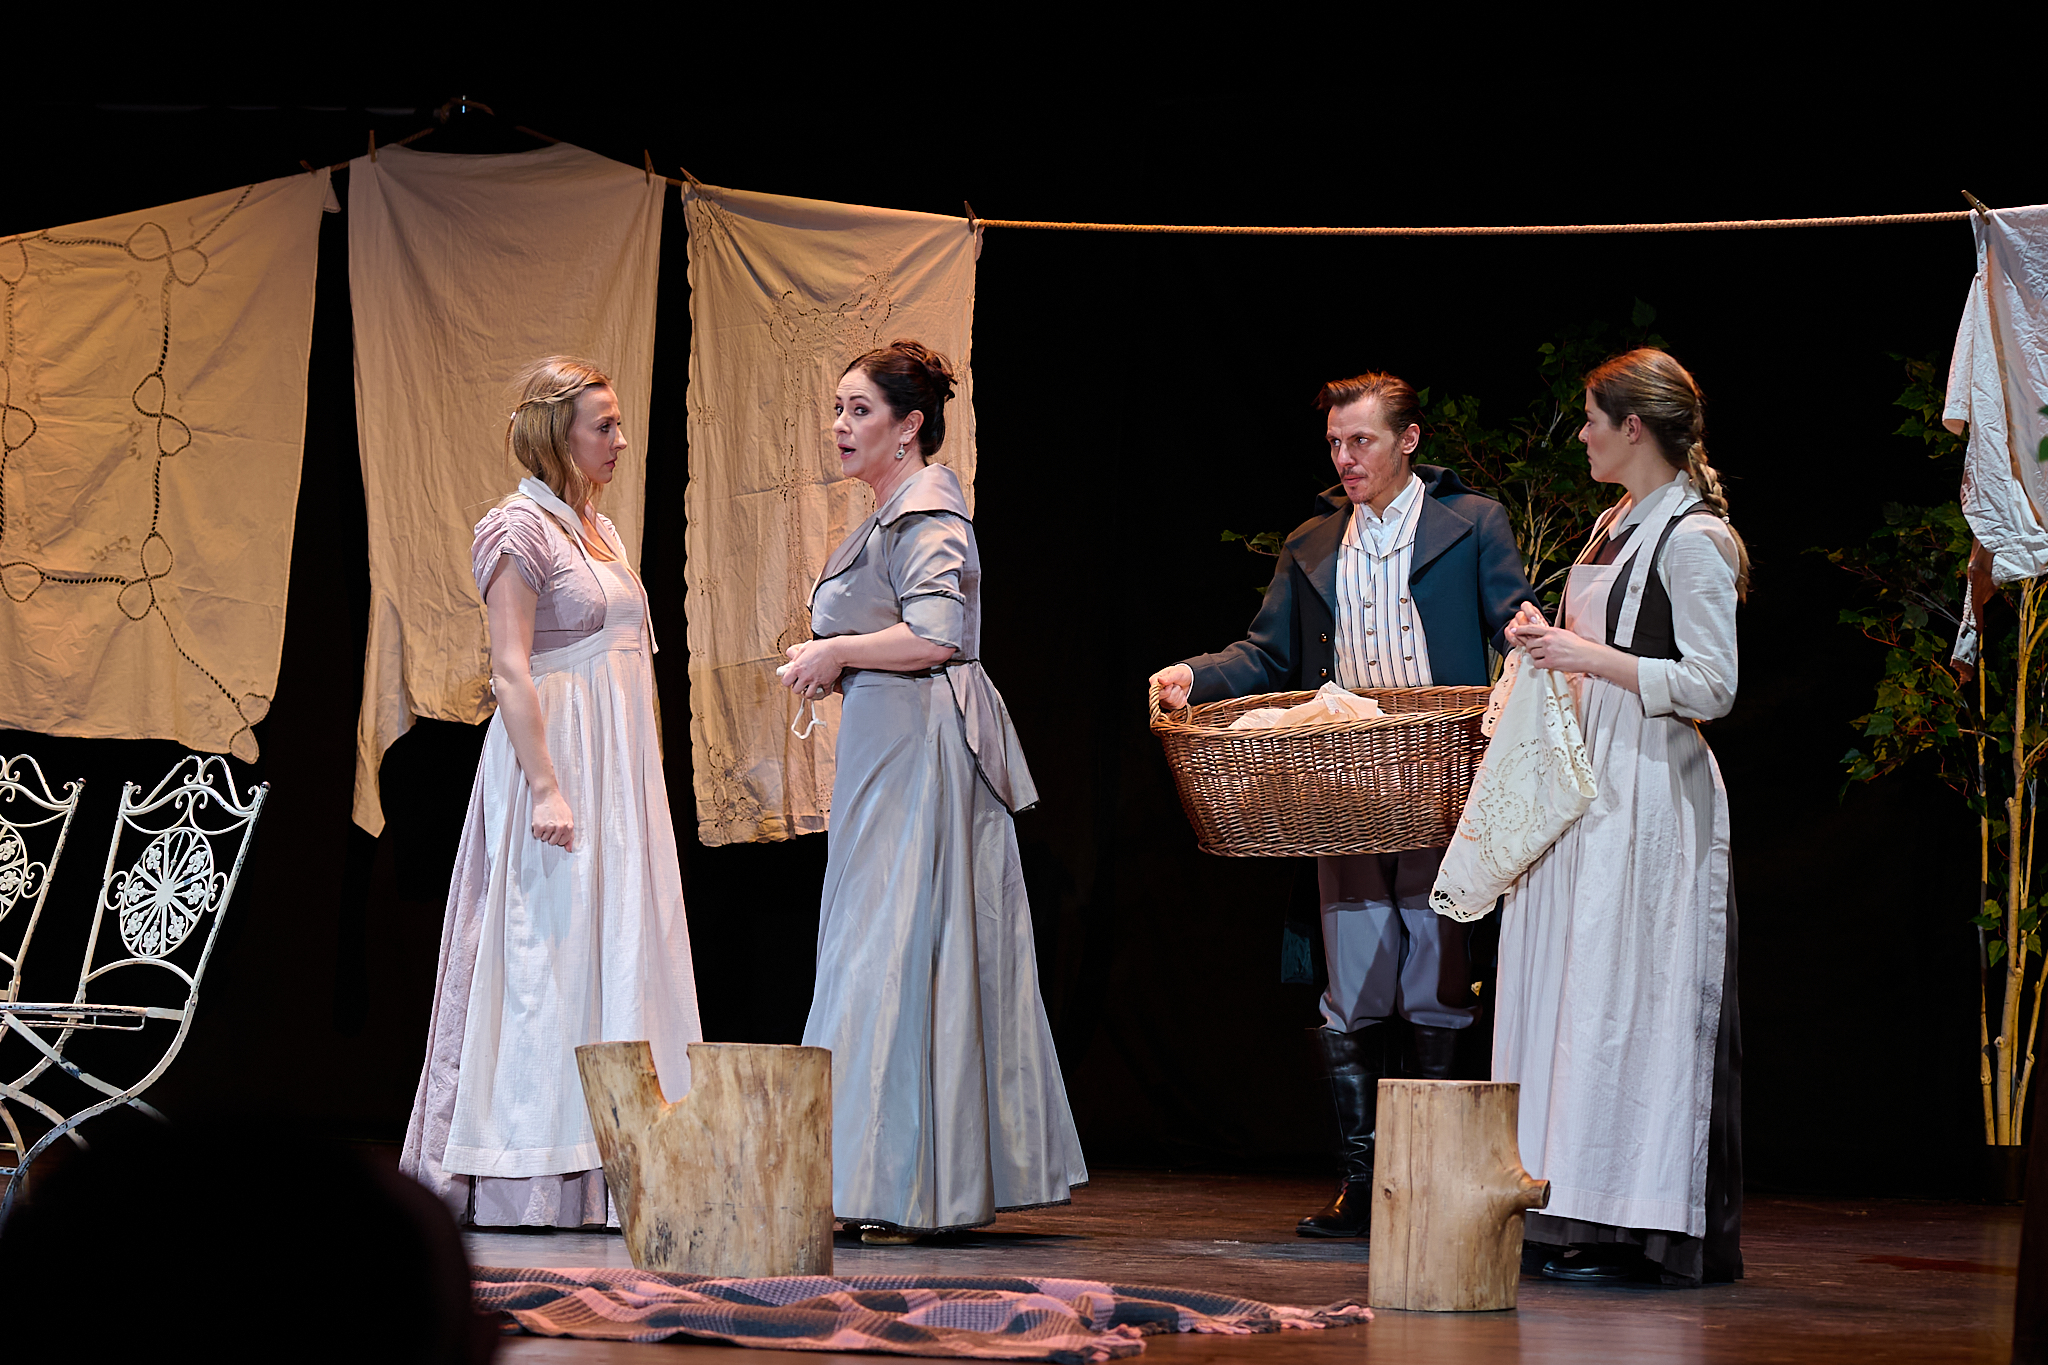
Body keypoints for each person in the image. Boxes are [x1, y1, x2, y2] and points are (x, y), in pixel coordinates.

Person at [1149, 372, 1532, 1239]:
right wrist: (1195, 674)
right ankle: (1364, 1186)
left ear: (1408, 440)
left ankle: (1437, 1181)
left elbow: (1510, 621)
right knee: (1354, 979)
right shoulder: (1315, 540)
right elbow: (1264, 650)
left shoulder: (1472, 524)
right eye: (1335, 443)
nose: (1345, 457)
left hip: (1435, 775)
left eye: (1361, 440)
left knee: (1436, 974)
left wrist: (1533, 639)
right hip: (1344, 778)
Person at [780, 339, 1087, 1243]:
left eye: (860, 411)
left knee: (899, 944)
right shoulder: (888, 514)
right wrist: (837, 660)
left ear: (909, 426)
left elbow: (937, 634)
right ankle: (873, 1174)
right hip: (887, 740)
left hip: (920, 745)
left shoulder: (927, 512)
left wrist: (836, 652)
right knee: (876, 945)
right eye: (838, 409)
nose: (841, 426)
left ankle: (904, 1181)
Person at [401, 356, 702, 1229]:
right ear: (555, 435)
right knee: (544, 955)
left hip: (614, 774)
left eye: (618, 423)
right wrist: (545, 787)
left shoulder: (597, 531)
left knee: (616, 951)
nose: (619, 440)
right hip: (557, 763)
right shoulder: (519, 528)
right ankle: (528, 1172)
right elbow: (509, 666)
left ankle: (621, 1161)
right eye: (603, 425)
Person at [1496, 347, 1744, 1286]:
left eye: (1593, 419)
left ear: (1633, 427)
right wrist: (1542, 641)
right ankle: (1572, 1208)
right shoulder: (1614, 523)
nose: (1583, 435)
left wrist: (1582, 655)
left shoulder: (1693, 536)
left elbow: (1713, 685)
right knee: (1581, 997)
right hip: (1585, 777)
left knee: (1635, 999)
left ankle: (1643, 1228)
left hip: (1648, 788)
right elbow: (1591, 644)